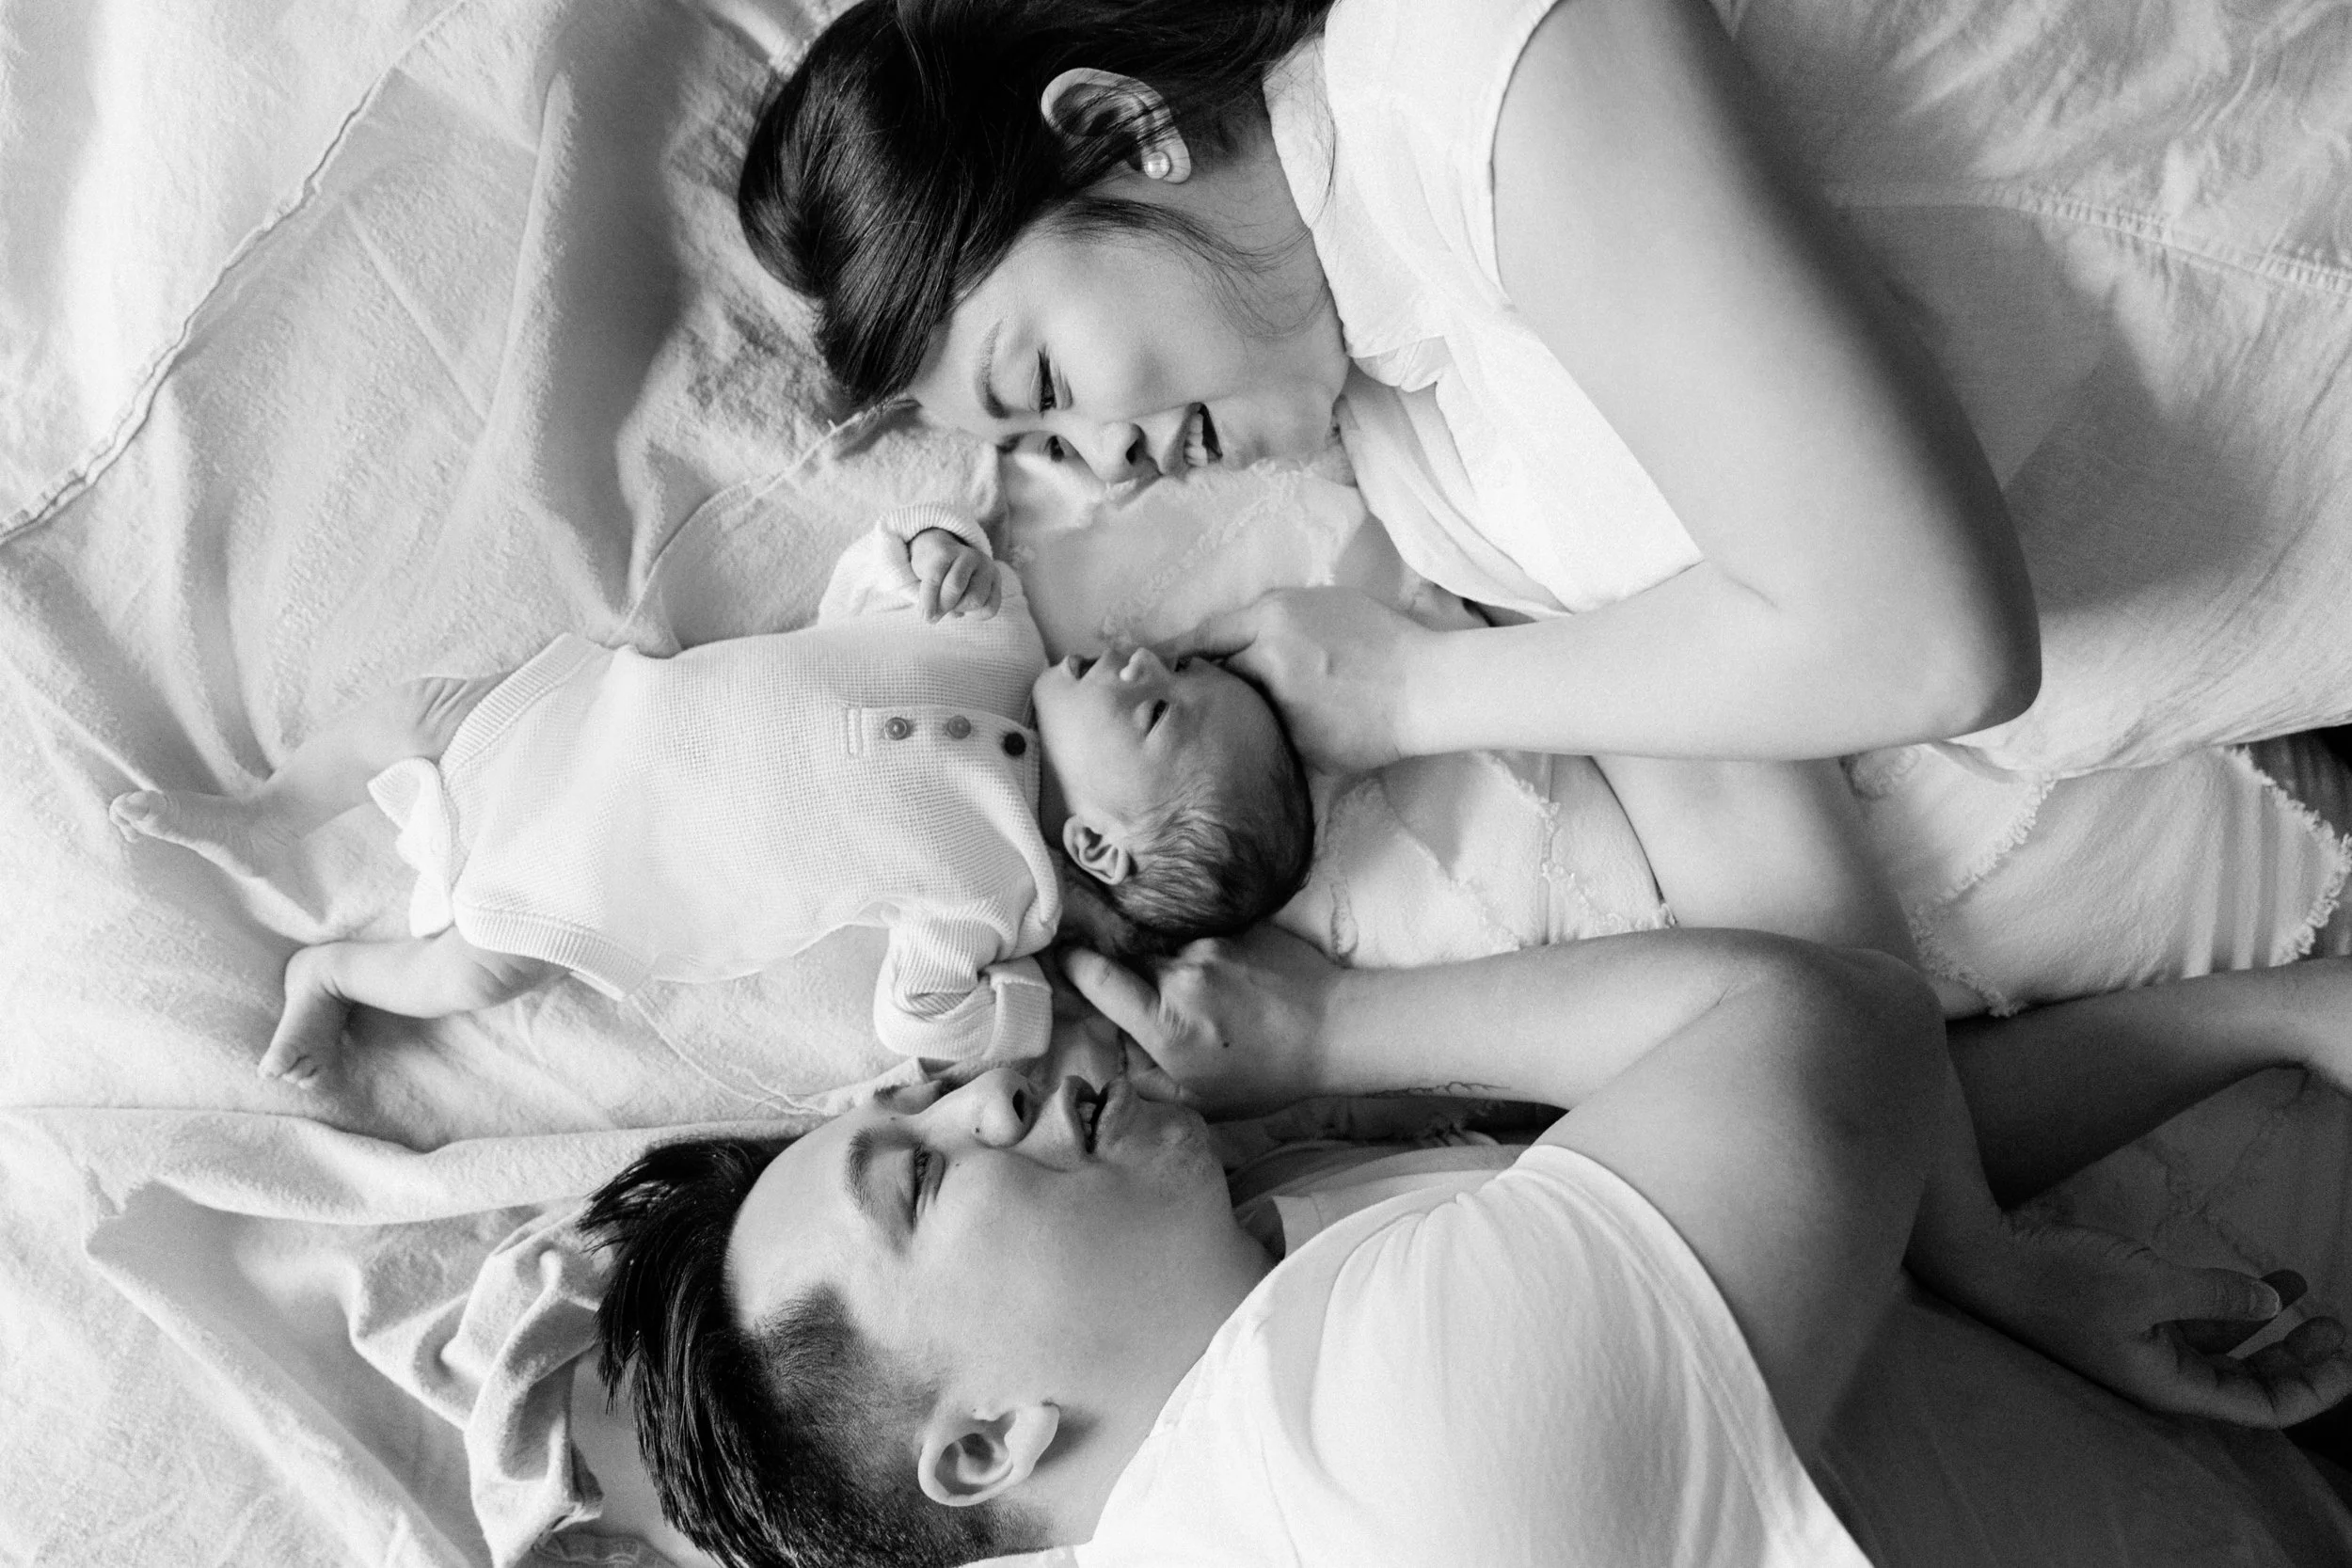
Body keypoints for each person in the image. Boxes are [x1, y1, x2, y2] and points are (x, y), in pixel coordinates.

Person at [733, 0, 2352, 953]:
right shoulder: (1418, 469)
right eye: (1040, 457)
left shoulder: (1471, 68)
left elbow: (1932, 641)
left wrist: (1420, 696)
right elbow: (1749, 824)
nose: (1108, 468)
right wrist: (1970, 1235)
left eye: (1044, 388)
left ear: (1120, 124)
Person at [581, 927, 2351, 1568]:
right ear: (982, 1441)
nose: (990, 1092)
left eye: (926, 1093)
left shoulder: (1244, 1284)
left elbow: (1810, 1156)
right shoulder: (1370, 1453)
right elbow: (1824, 1023)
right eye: (922, 1178)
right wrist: (1323, 1026)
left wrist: (2265, 1018)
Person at [109, 505, 1311, 1085]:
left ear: (1097, 847)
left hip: (615, 878)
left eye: (1159, 709)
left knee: (477, 964)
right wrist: (930, 549)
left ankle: (329, 976)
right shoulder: (994, 630)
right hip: (603, 725)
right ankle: (270, 812)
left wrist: (1030, 1014)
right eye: (1179, 666)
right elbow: (865, 580)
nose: (1143, 660)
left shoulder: (992, 897)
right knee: (422, 714)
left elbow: (922, 1018)